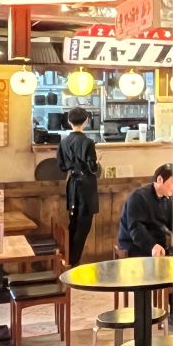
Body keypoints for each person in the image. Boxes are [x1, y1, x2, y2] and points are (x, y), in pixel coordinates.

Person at [57, 106, 98, 266]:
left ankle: (69, 258)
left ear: (69, 121)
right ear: (86, 121)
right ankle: (73, 261)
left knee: (73, 223)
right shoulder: (88, 142)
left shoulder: (64, 142)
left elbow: (61, 166)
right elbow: (93, 168)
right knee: (84, 225)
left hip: (72, 184)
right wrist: (98, 162)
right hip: (86, 186)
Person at [118, 163, 173, 257]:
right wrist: (152, 246)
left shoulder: (169, 199)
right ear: (160, 179)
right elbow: (136, 228)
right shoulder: (138, 196)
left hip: (158, 244)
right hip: (135, 244)